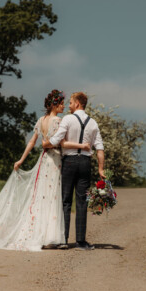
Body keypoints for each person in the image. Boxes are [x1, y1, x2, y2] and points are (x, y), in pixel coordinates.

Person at [0, 90, 90, 251]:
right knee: (53, 197)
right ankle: (51, 236)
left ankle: (42, 234)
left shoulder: (41, 120)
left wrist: (21, 160)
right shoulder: (57, 120)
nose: (64, 106)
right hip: (55, 162)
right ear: (55, 104)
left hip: (43, 161)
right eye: (62, 103)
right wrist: (82, 146)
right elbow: (62, 143)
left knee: (42, 197)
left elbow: (31, 142)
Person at [43, 91, 105, 251]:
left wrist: (46, 143)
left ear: (77, 103)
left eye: (70, 103)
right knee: (82, 201)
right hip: (85, 162)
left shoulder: (68, 119)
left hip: (69, 162)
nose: (69, 106)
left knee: (66, 200)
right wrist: (101, 169)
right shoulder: (93, 123)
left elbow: (57, 140)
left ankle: (63, 239)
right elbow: (100, 148)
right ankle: (81, 241)